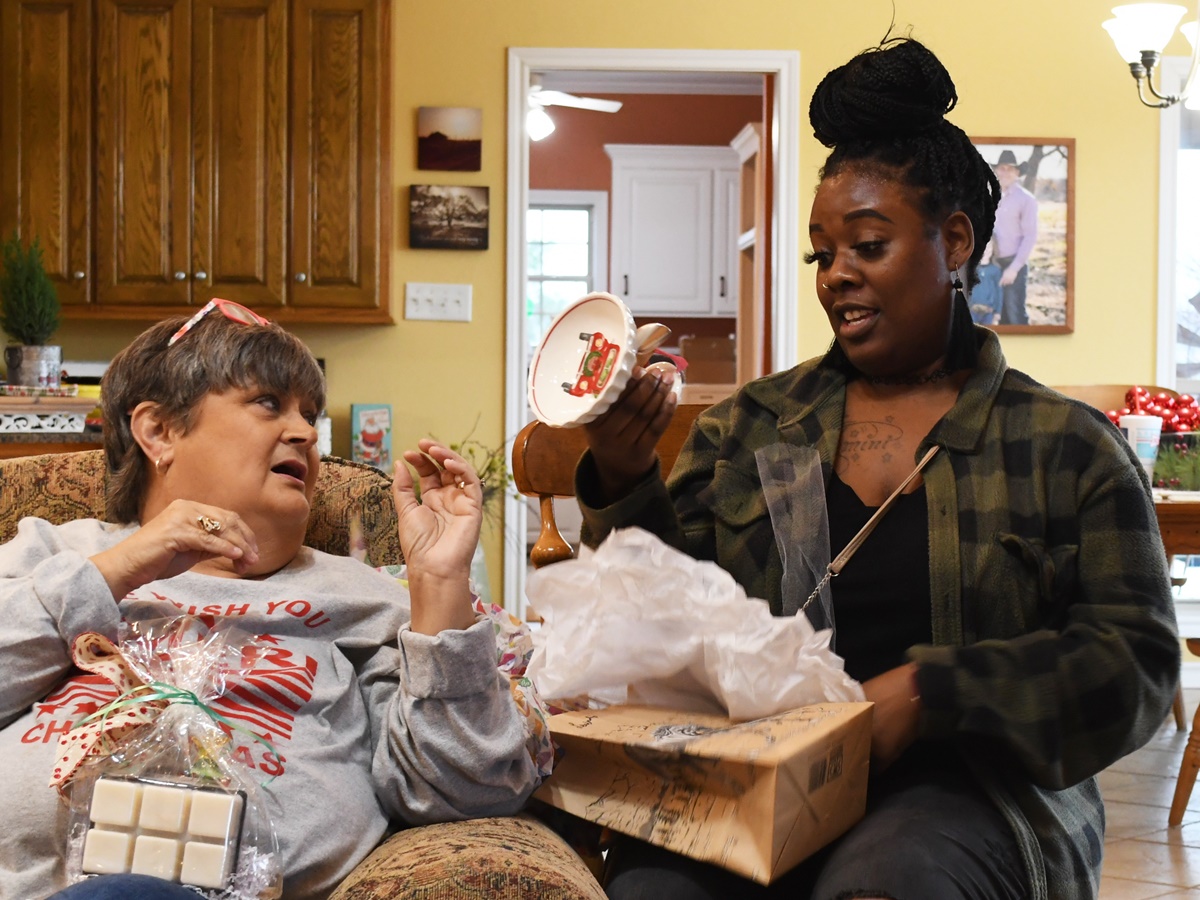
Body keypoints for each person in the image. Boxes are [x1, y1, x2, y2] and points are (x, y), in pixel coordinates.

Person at [574, 37, 1179, 900]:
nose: (836, 277)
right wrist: (623, 476)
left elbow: (1137, 664)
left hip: (973, 792)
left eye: (867, 245)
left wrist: (935, 693)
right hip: (759, 782)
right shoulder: (750, 428)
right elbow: (661, 631)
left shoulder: (1065, 446)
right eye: (822, 255)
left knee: (886, 881)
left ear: (955, 241)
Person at [0, 301, 543, 899]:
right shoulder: (53, 553)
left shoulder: (361, 598)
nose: (305, 433)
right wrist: (113, 572)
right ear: (159, 431)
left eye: (309, 415)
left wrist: (440, 584)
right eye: (268, 403)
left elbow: (467, 790)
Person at [992, 148, 1039, 325]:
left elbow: (1030, 236)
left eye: (1010, 169)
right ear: (996, 170)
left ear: (1017, 173)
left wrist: (1014, 268)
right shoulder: (989, 196)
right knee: (994, 315)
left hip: (1013, 264)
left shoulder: (1026, 200)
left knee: (1015, 315)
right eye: (1002, 168)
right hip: (992, 264)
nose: (1005, 172)